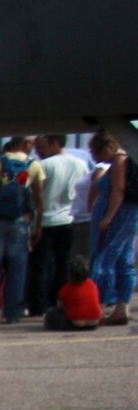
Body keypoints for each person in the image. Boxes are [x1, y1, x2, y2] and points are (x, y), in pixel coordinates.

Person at [0, 136, 44, 324]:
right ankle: (13, 313)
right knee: (17, 270)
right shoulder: (34, 165)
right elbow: (39, 197)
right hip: (20, 222)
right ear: (25, 145)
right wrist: (38, 223)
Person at [28, 135, 91, 317]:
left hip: (45, 220)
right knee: (63, 263)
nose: (39, 151)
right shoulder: (81, 164)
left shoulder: (42, 165)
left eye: (42, 146)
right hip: (69, 218)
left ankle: (38, 304)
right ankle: (58, 299)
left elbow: (28, 188)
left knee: (40, 265)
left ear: (55, 142)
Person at [87, 132, 134, 327]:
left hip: (118, 216)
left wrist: (108, 217)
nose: (93, 156)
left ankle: (100, 304)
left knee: (106, 260)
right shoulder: (125, 159)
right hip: (127, 215)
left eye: (94, 151)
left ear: (106, 148)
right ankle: (121, 308)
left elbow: (118, 190)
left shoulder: (119, 162)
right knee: (124, 260)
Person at [44, 257, 101, 331]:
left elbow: (59, 307)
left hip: (76, 324)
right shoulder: (93, 284)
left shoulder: (66, 288)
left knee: (51, 313)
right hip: (94, 323)